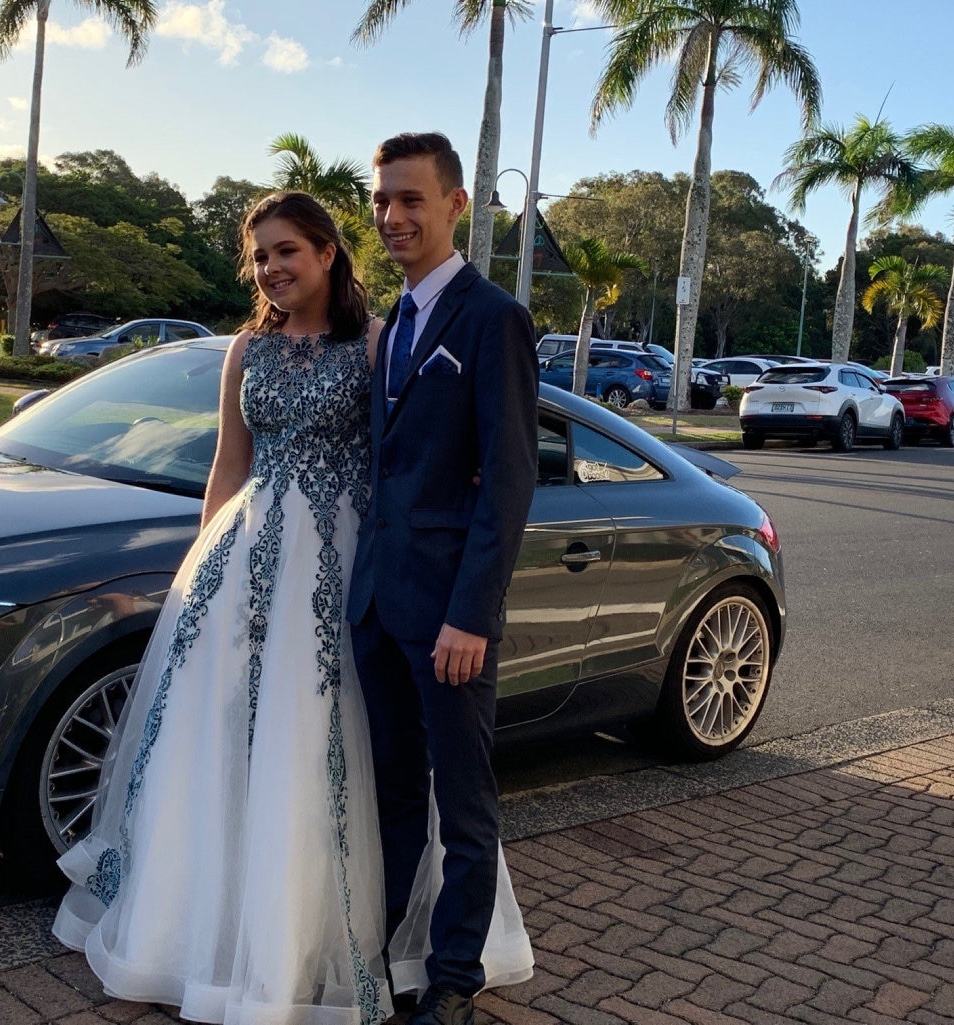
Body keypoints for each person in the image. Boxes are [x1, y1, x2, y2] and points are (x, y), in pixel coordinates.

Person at [53, 190, 530, 1025]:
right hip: (243, 564)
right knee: (227, 748)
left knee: (324, 754)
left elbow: (416, 451)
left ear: (327, 254)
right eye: (261, 256)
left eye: (289, 252)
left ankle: (326, 943)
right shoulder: (246, 350)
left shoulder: (378, 342)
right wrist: (202, 572)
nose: (273, 269)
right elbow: (227, 469)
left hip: (348, 568)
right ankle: (217, 931)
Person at [347, 132, 540, 1025]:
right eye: (383, 199)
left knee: (463, 809)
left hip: (451, 620)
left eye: (411, 199)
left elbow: (508, 479)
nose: (392, 217)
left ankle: (454, 979)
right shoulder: (392, 325)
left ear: (457, 205)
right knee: (389, 796)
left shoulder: (491, 317)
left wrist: (472, 614)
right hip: (382, 608)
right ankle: (384, 956)